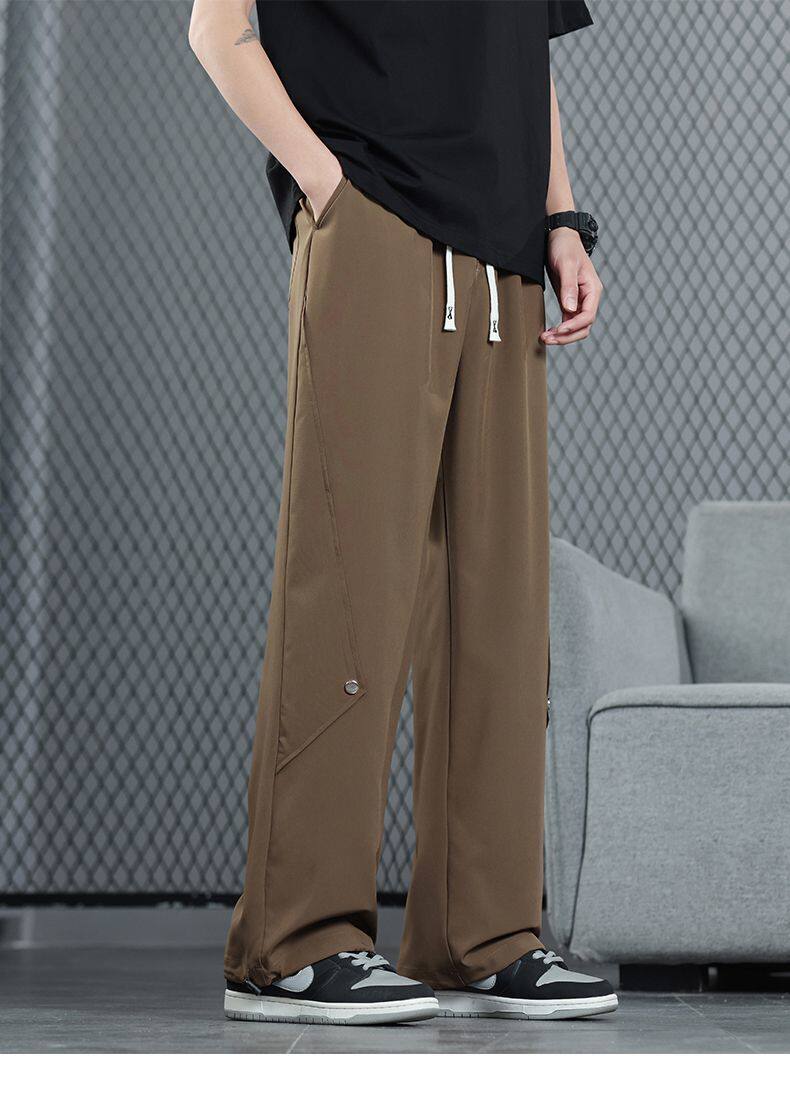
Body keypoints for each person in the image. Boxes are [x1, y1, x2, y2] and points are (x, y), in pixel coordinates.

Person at [189, 0, 615, 1026]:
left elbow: (522, 50)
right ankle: (293, 941)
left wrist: (561, 218)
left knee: (497, 605)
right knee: (350, 585)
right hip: (374, 212)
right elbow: (217, 28)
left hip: (509, 245)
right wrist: (327, 186)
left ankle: (483, 934)